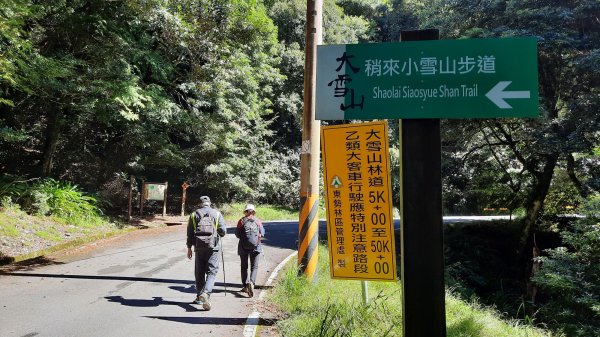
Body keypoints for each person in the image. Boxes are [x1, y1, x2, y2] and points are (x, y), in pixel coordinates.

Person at [186, 196, 226, 310]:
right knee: (212, 271)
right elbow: (223, 231)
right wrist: (218, 231)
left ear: (201, 204)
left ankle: (199, 296)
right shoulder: (217, 214)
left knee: (199, 272)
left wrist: (189, 248)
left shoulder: (194, 215)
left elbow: (189, 233)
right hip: (213, 247)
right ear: (210, 203)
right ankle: (206, 294)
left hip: (198, 248)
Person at [235, 203, 265, 298]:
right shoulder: (258, 221)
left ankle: (245, 285)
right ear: (253, 212)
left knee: (244, 267)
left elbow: (237, 234)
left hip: (243, 247)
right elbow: (263, 233)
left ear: (246, 211)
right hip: (256, 247)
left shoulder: (241, 221)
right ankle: (252, 282)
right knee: (254, 267)